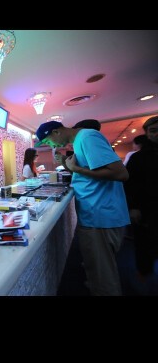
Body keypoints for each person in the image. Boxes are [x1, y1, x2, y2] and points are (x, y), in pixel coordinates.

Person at [35, 120, 130, 295]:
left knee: (103, 277)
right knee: (97, 269)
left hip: (100, 215)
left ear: (56, 132)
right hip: (94, 214)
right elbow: (88, 173)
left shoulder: (87, 137)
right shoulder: (80, 141)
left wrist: (77, 169)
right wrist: (68, 164)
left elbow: (121, 173)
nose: (52, 145)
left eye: (49, 141)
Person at [124, 116, 158, 287]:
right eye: (153, 131)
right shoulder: (138, 158)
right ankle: (144, 277)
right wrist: (133, 207)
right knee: (144, 245)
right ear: (147, 134)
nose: (157, 134)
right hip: (146, 209)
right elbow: (130, 185)